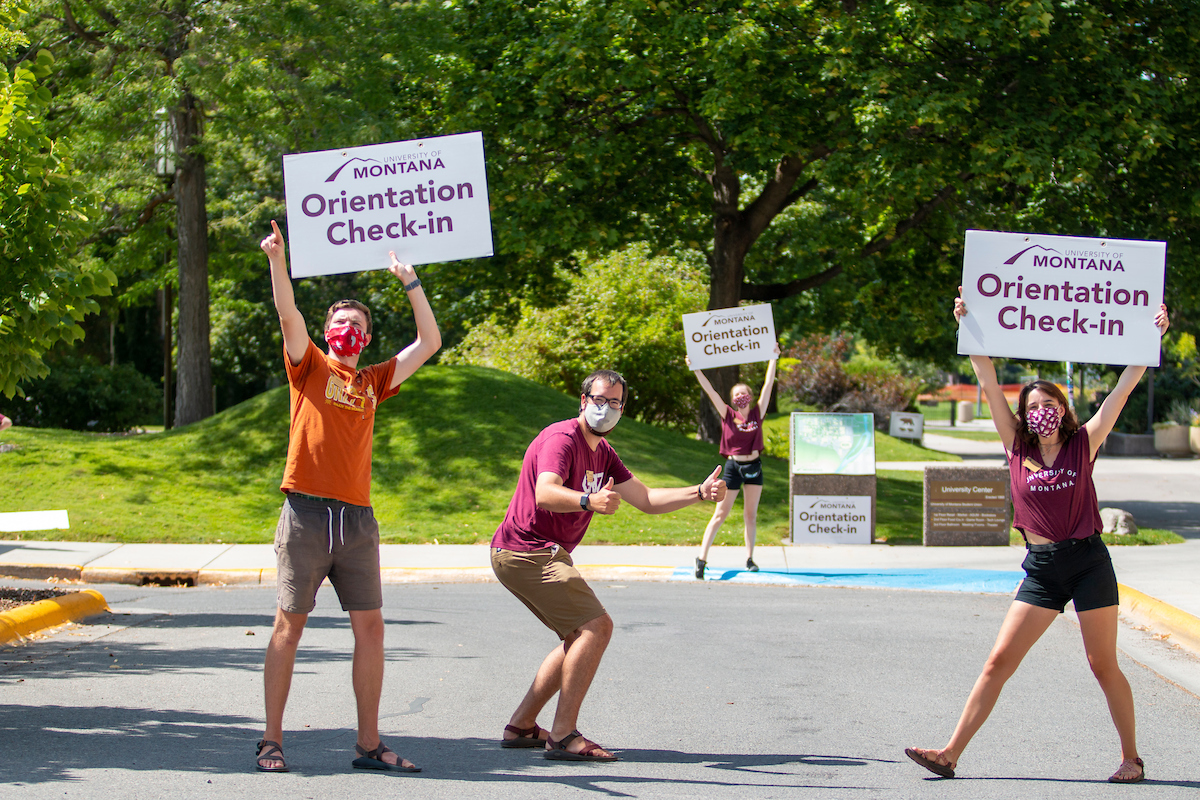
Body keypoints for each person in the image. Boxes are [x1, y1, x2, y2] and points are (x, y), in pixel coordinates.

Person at [905, 288, 1169, 784]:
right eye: (1033, 406)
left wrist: (1150, 336)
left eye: (1049, 404)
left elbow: (1123, 389)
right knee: (998, 660)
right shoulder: (1015, 445)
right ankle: (950, 753)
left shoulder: (1084, 441)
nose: (1041, 411)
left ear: (1063, 409)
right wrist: (968, 321)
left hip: (1089, 562)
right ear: (1023, 414)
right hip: (1043, 568)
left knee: (1101, 663)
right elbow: (984, 373)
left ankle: (1131, 758)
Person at [256, 220, 440, 774]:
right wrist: (276, 261)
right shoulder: (308, 363)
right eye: (339, 321)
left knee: (372, 628)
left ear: (365, 334)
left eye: (356, 323)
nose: (347, 328)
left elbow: (429, 343)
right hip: (306, 514)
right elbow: (289, 314)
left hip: (357, 521)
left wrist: (410, 282)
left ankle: (368, 743)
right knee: (290, 623)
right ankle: (270, 739)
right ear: (328, 330)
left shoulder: (375, 381)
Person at [492, 369, 727, 761]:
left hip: (533, 552)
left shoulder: (604, 454)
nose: (607, 408)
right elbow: (545, 492)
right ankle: (563, 735)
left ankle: (521, 727)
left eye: (615, 403)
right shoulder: (561, 439)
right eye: (600, 400)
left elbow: (648, 499)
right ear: (583, 401)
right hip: (527, 550)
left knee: (577, 636)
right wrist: (588, 501)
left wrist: (699, 493)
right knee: (596, 627)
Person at [687, 346, 779, 578]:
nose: (740, 397)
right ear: (733, 400)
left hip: (754, 467)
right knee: (720, 514)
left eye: (743, 393)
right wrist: (695, 369)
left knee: (751, 514)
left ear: (749, 396)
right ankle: (701, 559)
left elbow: (768, 385)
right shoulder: (728, 414)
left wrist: (773, 358)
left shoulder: (758, 413)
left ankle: (749, 559)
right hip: (733, 468)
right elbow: (711, 392)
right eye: (736, 395)